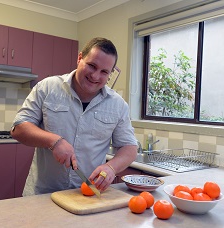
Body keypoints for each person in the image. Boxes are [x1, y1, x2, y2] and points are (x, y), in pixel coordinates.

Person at [11, 37, 137, 195]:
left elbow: (130, 148)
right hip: (43, 194)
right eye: (92, 66)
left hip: (86, 195)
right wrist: (54, 141)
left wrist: (111, 167)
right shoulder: (47, 87)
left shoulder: (118, 105)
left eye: (104, 72)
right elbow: (19, 128)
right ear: (79, 58)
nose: (96, 76)